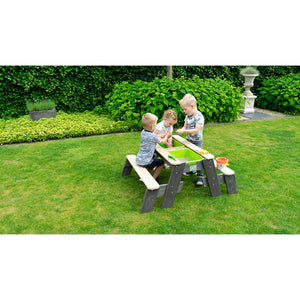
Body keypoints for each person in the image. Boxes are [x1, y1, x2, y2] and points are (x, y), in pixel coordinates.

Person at [176, 94, 205, 186]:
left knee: (198, 157)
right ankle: (191, 171)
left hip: (197, 141)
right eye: (183, 109)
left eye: (185, 109)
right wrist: (182, 129)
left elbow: (196, 130)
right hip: (188, 140)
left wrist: (184, 130)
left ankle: (200, 176)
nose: (184, 111)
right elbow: (184, 126)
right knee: (189, 156)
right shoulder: (187, 116)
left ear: (192, 106)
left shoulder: (199, 117)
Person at [136, 113, 168, 183]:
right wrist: (166, 136)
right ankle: (153, 179)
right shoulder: (153, 136)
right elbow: (162, 142)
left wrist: (163, 135)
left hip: (139, 159)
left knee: (154, 161)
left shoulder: (143, 132)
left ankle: (145, 176)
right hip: (146, 161)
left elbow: (156, 137)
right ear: (152, 126)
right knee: (161, 162)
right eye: (155, 124)